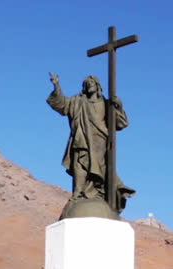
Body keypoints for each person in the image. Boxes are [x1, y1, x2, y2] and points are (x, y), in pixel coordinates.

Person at [47, 73, 135, 213]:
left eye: (92, 82)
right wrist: (56, 85)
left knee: (100, 168)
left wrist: (118, 106)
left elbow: (121, 124)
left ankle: (99, 193)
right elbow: (62, 104)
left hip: (99, 141)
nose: (89, 84)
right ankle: (78, 193)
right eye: (86, 83)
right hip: (81, 138)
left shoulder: (106, 104)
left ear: (98, 86)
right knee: (79, 163)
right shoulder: (78, 101)